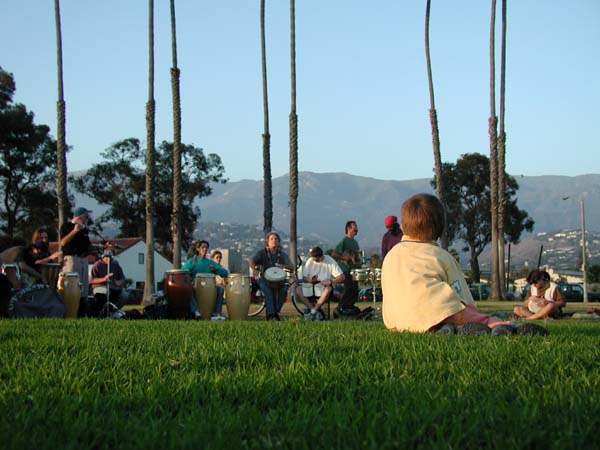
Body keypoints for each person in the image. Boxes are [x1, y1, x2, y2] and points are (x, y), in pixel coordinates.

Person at [382, 193, 515, 333]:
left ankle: (441, 328)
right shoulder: (441, 256)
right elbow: (461, 293)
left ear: (403, 226)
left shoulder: (391, 256)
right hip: (437, 312)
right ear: (441, 228)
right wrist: (475, 313)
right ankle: (489, 323)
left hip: (398, 321)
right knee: (459, 309)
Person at [248, 231, 294, 321]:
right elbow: (251, 260)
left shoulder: (282, 254)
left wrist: (283, 266)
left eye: (276, 239)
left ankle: (274, 312)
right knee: (267, 291)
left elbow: (292, 267)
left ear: (278, 242)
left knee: (284, 290)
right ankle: (271, 315)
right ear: (267, 241)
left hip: (279, 280)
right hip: (264, 278)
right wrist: (254, 269)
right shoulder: (262, 253)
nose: (274, 240)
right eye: (271, 239)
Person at [295, 246, 345, 321]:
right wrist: (310, 280)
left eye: (317, 260)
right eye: (314, 260)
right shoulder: (310, 260)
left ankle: (313, 312)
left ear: (322, 256)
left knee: (328, 289)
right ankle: (313, 310)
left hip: (324, 285)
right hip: (312, 285)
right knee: (298, 290)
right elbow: (305, 277)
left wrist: (330, 281)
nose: (315, 261)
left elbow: (342, 277)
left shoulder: (330, 261)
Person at [182, 240, 228, 320]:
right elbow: (183, 271)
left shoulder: (210, 263)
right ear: (198, 249)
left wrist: (216, 269)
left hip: (209, 287)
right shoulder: (192, 261)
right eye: (203, 247)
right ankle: (195, 311)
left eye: (206, 247)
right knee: (188, 289)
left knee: (220, 289)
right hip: (196, 287)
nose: (205, 249)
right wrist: (192, 267)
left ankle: (217, 313)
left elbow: (225, 273)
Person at [60, 207, 93, 314]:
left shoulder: (85, 230)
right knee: (72, 287)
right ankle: (69, 311)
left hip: (83, 259)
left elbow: (86, 245)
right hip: (72, 259)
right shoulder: (67, 226)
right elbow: (63, 242)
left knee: (83, 288)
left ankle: (82, 312)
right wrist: (74, 231)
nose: (87, 218)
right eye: (86, 216)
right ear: (79, 217)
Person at [332, 220, 362, 316]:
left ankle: (349, 307)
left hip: (354, 270)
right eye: (354, 228)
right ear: (349, 228)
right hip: (345, 269)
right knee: (348, 288)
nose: (356, 230)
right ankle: (340, 307)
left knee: (355, 290)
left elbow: (356, 256)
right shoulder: (344, 241)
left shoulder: (355, 242)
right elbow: (334, 254)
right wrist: (344, 258)